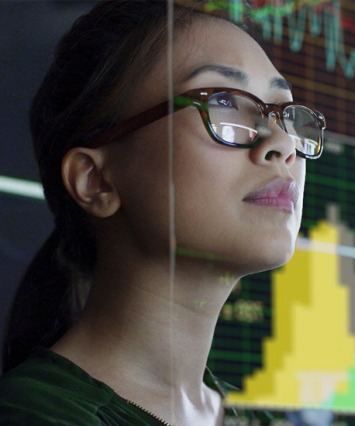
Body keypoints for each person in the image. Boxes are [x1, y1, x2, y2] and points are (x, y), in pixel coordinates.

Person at [0, 1, 325, 424]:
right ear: (95, 180)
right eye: (225, 103)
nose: (281, 143)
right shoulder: (36, 414)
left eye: (285, 113)